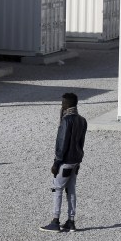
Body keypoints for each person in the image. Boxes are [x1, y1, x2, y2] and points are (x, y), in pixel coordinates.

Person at [40, 92, 87, 233]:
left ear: (67, 104)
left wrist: (57, 162)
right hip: (76, 161)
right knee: (71, 191)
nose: (61, 105)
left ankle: (55, 221)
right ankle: (71, 221)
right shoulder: (82, 120)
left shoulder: (66, 120)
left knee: (57, 189)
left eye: (62, 103)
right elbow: (81, 143)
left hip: (65, 162)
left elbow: (62, 142)